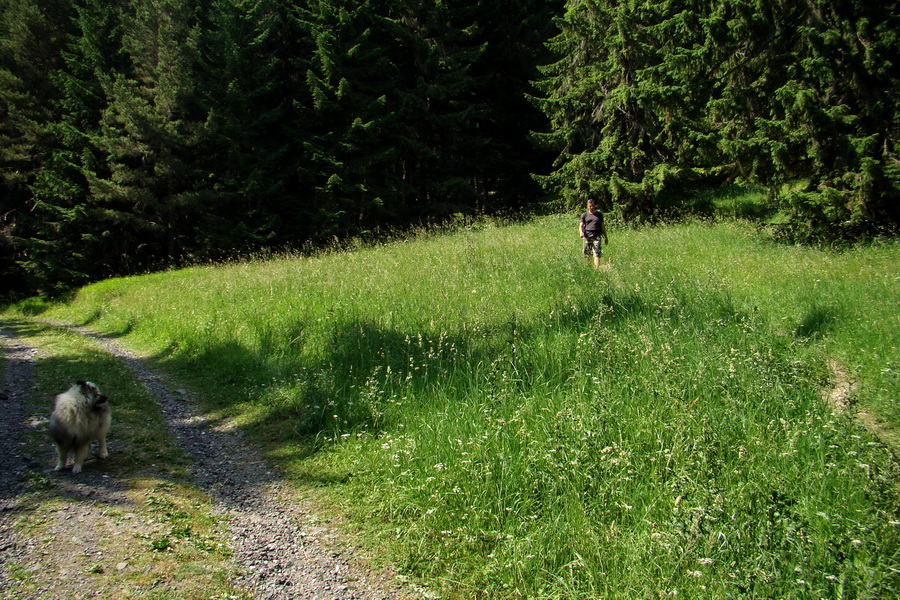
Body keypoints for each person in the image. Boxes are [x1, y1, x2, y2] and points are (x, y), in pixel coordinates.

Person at [579, 198, 608, 268]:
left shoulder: (599, 215)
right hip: (587, 236)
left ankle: (596, 269)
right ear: (587, 206)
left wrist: (606, 237)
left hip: (597, 236)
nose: (591, 207)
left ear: (594, 206)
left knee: (596, 253)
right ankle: (589, 268)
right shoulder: (584, 215)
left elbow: (602, 226)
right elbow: (580, 225)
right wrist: (581, 232)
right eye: (590, 206)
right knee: (587, 254)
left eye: (592, 206)